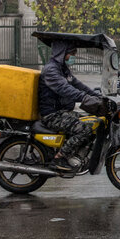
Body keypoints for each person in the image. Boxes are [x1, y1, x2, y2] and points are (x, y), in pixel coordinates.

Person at [37, 39, 99, 171]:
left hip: (62, 112)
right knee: (84, 129)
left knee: (92, 123)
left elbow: (78, 85)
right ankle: (60, 157)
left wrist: (97, 96)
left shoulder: (62, 69)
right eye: (72, 53)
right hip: (52, 115)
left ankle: (74, 154)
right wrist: (85, 98)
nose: (74, 57)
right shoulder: (51, 70)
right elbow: (64, 88)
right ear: (62, 53)